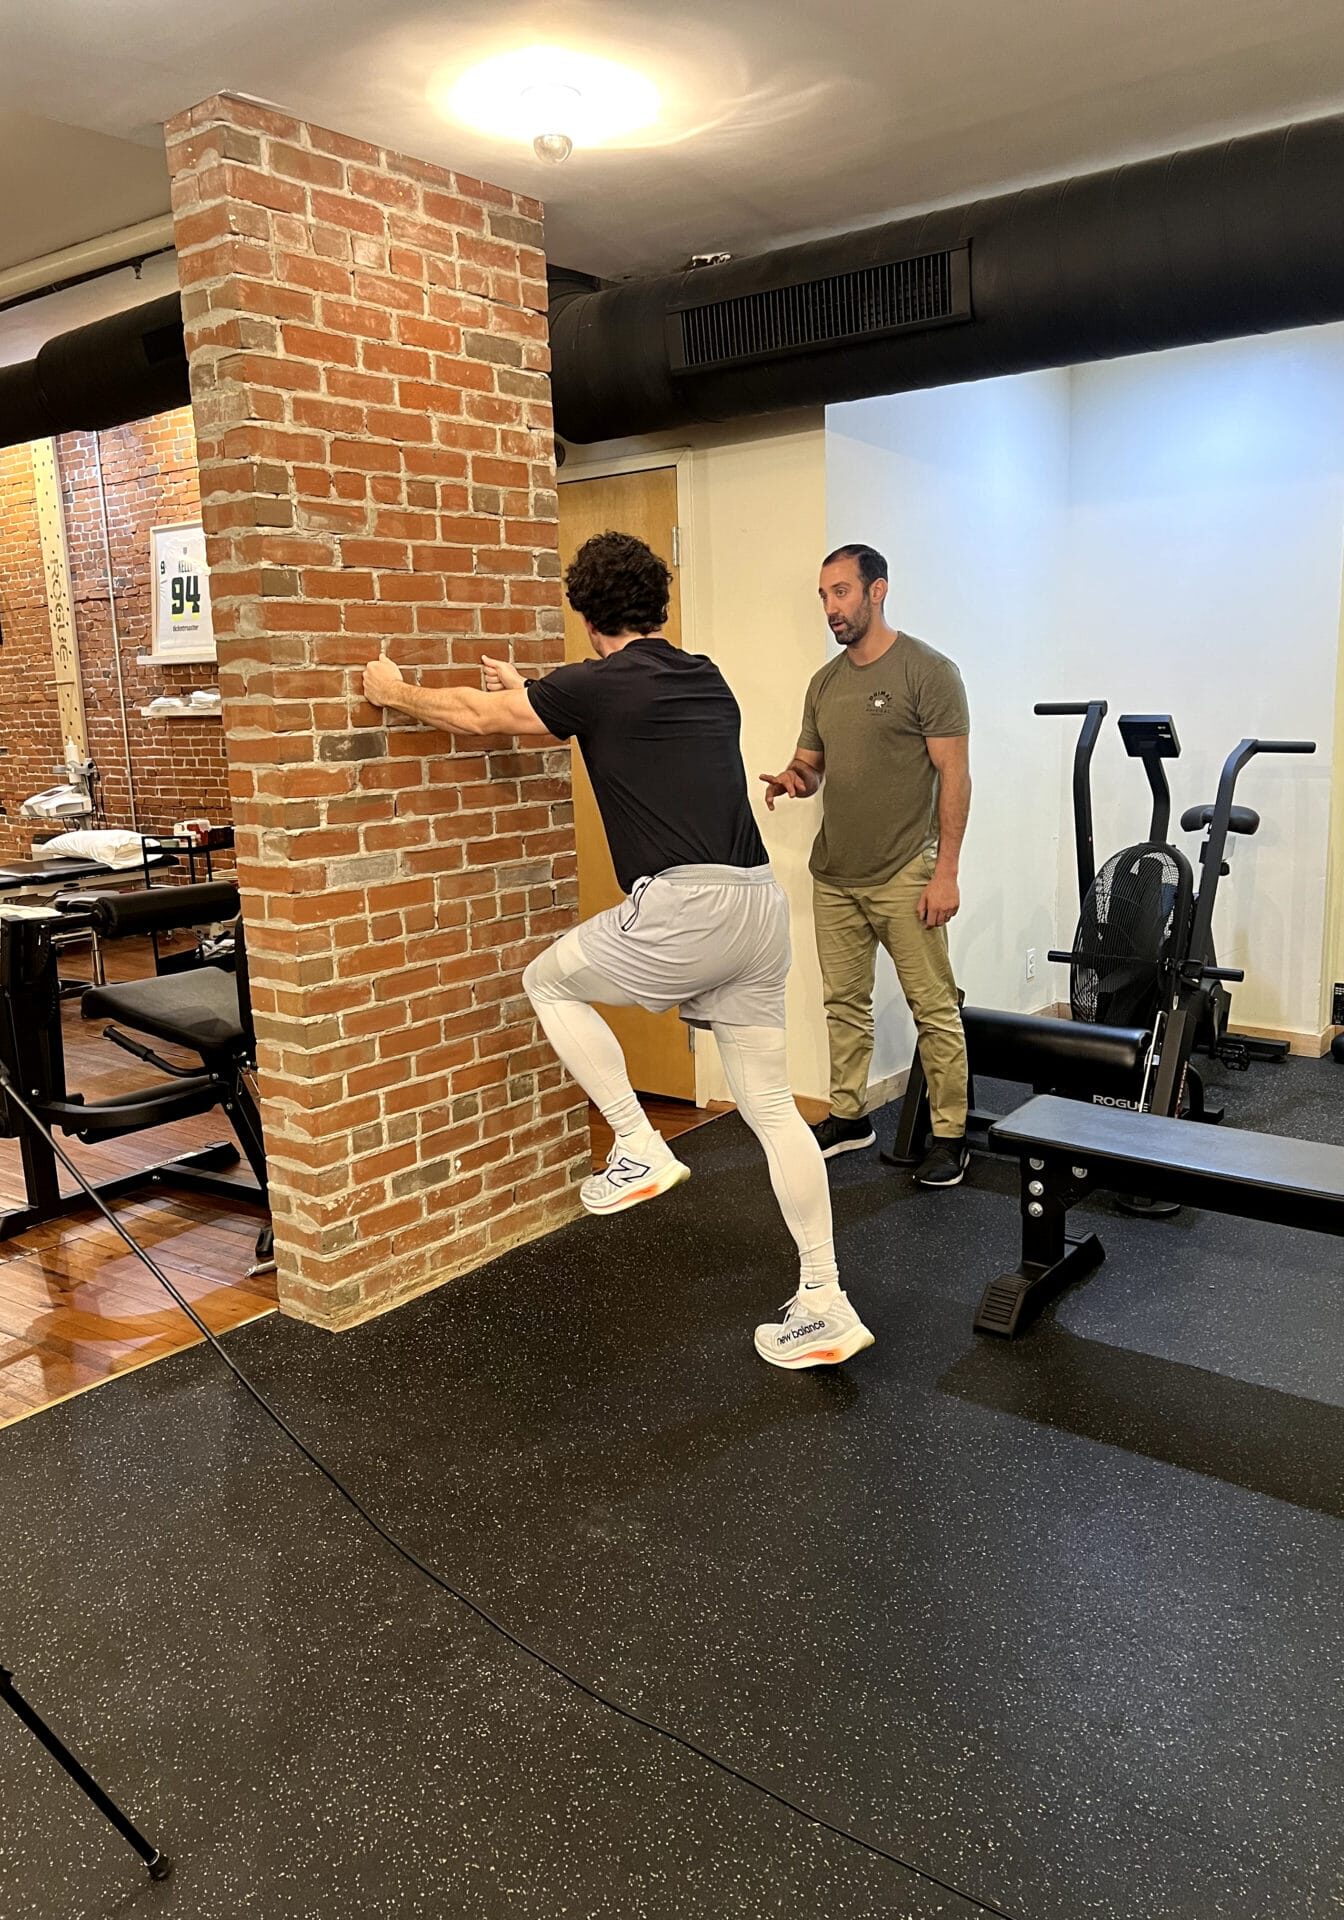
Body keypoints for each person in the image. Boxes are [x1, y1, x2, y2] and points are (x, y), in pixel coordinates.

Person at [363, 530, 873, 1371]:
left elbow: (482, 719)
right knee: (773, 1109)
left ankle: (637, 1142)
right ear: (655, 606)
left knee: (548, 981)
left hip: (688, 905)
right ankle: (824, 1299)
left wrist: (395, 690)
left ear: (588, 616)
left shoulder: (589, 686)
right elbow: (580, 709)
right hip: (757, 907)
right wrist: (537, 691)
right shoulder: (701, 674)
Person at [761, 543, 972, 1187]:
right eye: (824, 596)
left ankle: (951, 1132)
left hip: (908, 869)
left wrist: (946, 871)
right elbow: (812, 764)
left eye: (842, 592)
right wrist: (794, 779)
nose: (832, 608)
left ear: (877, 591)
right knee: (843, 1003)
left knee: (932, 1005)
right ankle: (850, 1117)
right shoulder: (824, 684)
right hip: (836, 874)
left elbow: (954, 775)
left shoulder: (928, 671)